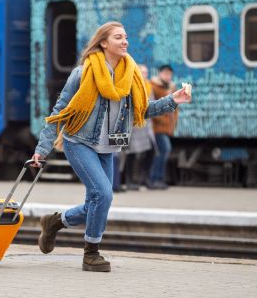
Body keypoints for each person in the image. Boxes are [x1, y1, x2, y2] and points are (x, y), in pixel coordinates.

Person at [31, 22, 191, 272]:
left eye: (126, 37)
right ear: (103, 43)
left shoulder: (130, 75)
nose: (125, 41)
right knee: (103, 194)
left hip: (108, 147)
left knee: (96, 203)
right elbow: (59, 112)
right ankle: (91, 254)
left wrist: (173, 100)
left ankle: (54, 223)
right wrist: (42, 149)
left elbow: (142, 110)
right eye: (118, 37)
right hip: (79, 141)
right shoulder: (83, 73)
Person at [124, 64, 156, 190]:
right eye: (142, 72)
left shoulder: (148, 86)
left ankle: (144, 178)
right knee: (131, 154)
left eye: (146, 72)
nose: (145, 74)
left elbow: (152, 103)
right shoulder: (132, 84)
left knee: (151, 151)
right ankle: (129, 180)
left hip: (147, 125)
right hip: (135, 125)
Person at [148, 64, 178, 190]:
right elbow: (150, 105)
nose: (167, 76)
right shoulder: (153, 86)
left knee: (162, 151)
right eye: (165, 73)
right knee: (164, 150)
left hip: (167, 127)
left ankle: (157, 179)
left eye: (169, 74)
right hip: (157, 127)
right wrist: (160, 120)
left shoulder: (171, 87)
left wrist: (174, 121)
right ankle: (154, 179)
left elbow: (175, 107)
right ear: (159, 73)